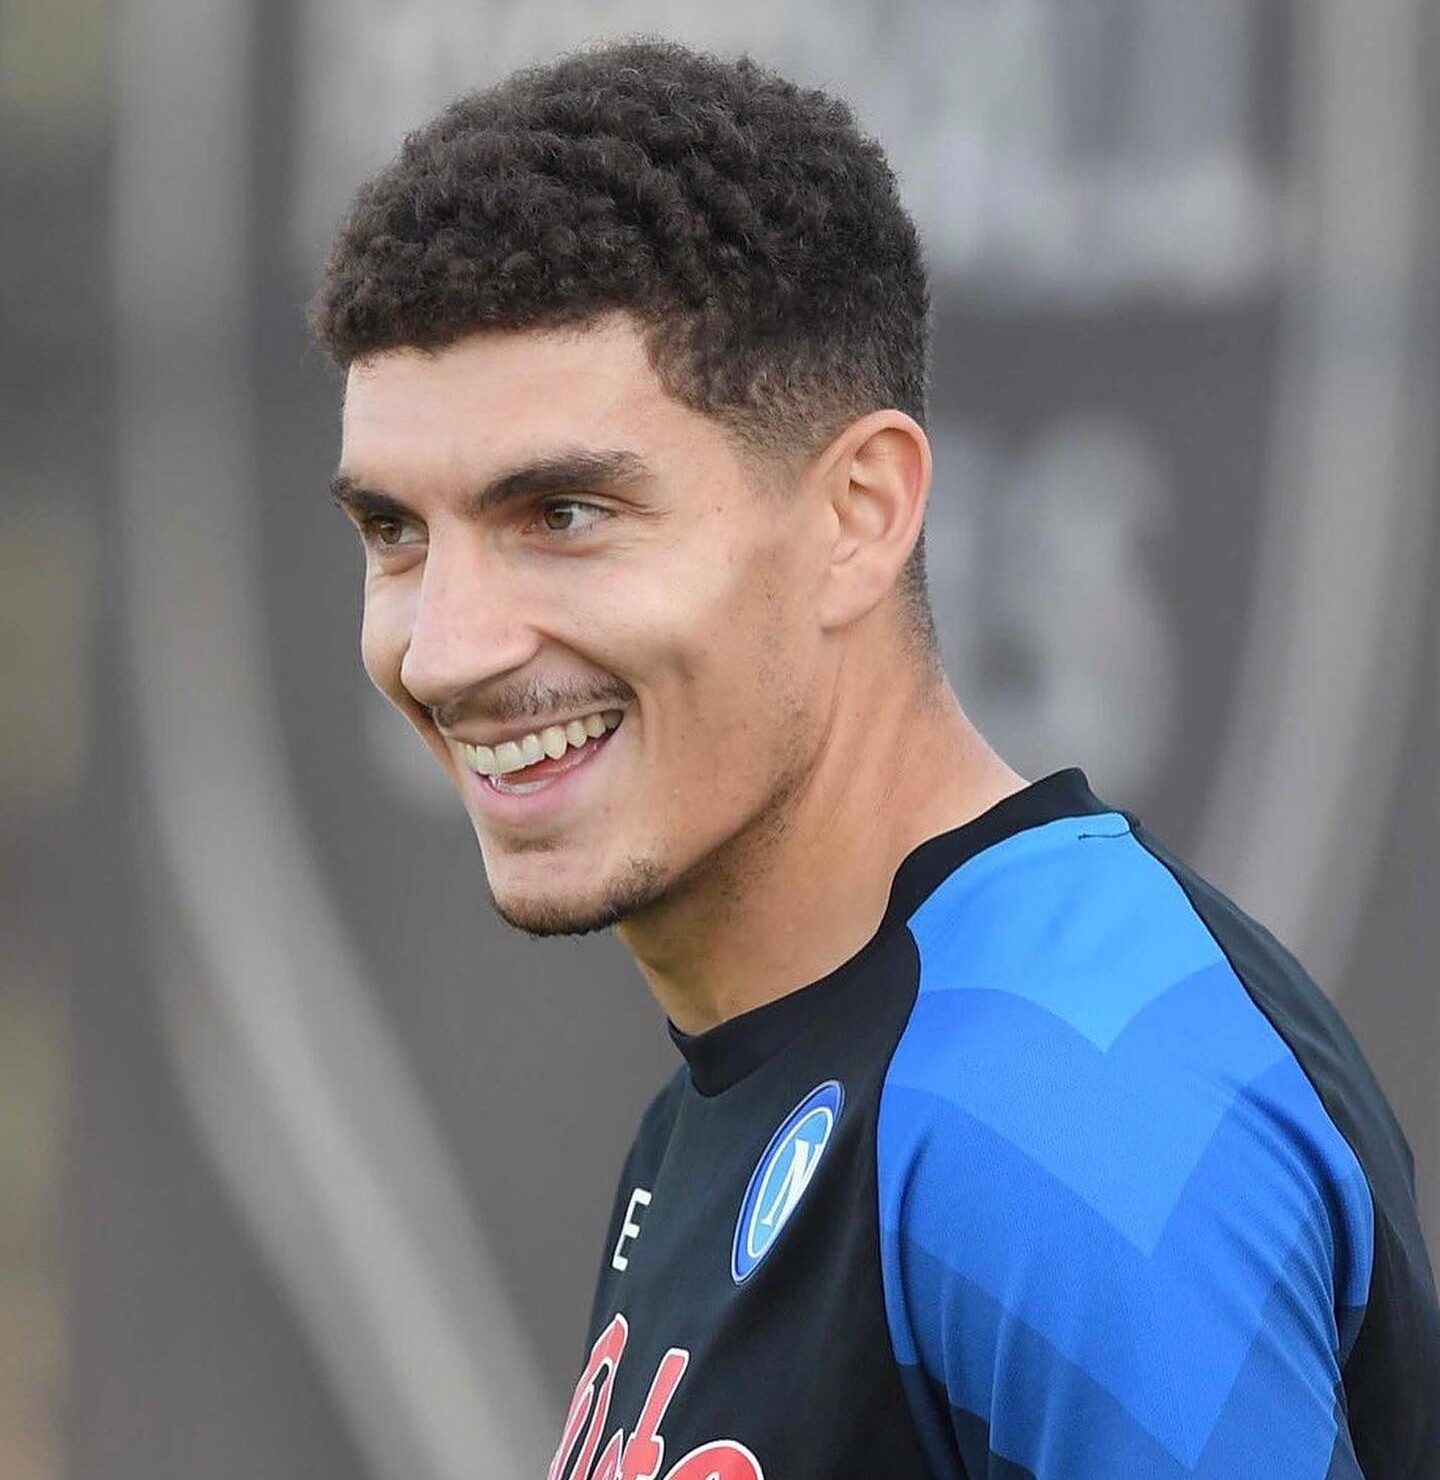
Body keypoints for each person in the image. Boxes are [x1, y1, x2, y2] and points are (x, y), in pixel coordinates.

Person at [309, 39, 1439, 1480]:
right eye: (395, 533)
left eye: (565, 512)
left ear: (860, 512)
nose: (445, 647)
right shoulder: (737, 1083)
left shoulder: (1062, 1109)